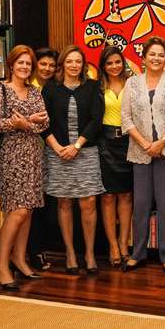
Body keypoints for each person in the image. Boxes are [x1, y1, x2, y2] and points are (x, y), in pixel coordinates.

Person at [121, 37, 165, 274]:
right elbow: (126, 119)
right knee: (140, 204)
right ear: (144, 57)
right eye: (152, 54)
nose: (157, 58)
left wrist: (161, 143)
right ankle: (137, 254)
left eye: (161, 55)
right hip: (140, 152)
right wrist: (145, 144)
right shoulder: (132, 83)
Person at [0, 45, 49, 290]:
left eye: (28, 64)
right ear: (11, 65)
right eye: (20, 63)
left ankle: (19, 259)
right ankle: (1, 264)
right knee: (18, 210)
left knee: (30, 209)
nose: (24, 67)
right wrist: (25, 122)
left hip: (34, 153)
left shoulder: (34, 91)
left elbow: (45, 122)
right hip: (12, 155)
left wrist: (26, 123)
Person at [41, 45, 105, 276]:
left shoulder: (92, 87)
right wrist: (58, 148)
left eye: (78, 61)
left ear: (84, 65)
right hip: (57, 153)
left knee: (88, 202)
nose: (74, 65)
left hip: (85, 152)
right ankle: (69, 253)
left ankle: (89, 253)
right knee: (64, 202)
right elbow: (43, 123)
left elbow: (97, 120)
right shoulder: (50, 89)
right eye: (70, 61)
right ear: (63, 64)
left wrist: (77, 145)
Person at [96, 46, 133, 267]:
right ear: (103, 66)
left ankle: (124, 242)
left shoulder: (132, 84)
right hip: (105, 143)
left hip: (129, 142)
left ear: (123, 62)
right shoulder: (97, 87)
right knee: (108, 196)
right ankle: (112, 245)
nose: (114, 66)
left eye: (117, 62)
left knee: (127, 196)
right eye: (109, 63)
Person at [27, 47, 59, 271]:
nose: (47, 69)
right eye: (43, 64)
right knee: (29, 205)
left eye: (51, 65)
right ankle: (31, 252)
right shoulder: (28, 88)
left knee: (43, 205)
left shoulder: (55, 88)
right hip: (28, 153)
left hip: (48, 154)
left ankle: (37, 249)